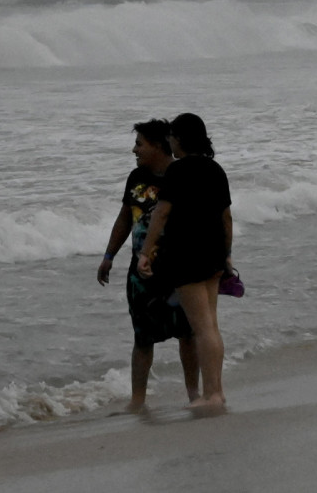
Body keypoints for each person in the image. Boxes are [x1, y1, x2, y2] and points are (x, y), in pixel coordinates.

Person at [97, 119, 199, 412]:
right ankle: (137, 401)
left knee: (188, 334)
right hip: (141, 273)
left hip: (179, 270)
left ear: (157, 145)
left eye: (139, 144)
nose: (134, 150)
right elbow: (124, 217)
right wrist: (109, 256)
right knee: (142, 337)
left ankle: (194, 396)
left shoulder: (182, 175)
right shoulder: (136, 177)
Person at [138, 113, 232, 413]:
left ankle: (212, 394)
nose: (170, 142)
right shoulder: (215, 169)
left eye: (172, 137)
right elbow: (226, 218)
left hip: (186, 256)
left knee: (202, 327)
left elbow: (161, 213)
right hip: (213, 253)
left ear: (180, 139)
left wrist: (145, 252)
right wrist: (227, 254)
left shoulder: (177, 171)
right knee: (211, 325)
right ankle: (216, 391)